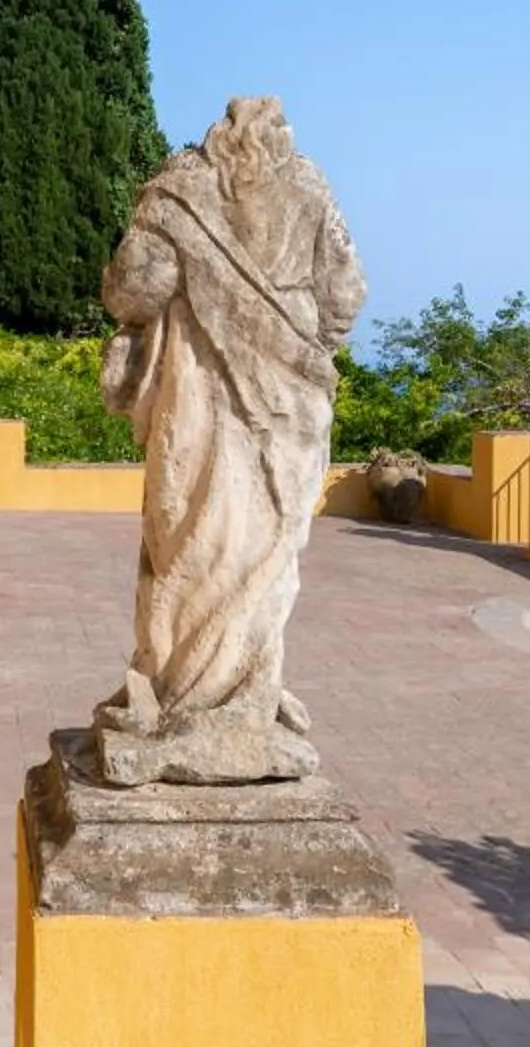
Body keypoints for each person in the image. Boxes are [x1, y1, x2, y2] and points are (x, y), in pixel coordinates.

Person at [92, 96, 363, 785]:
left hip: (199, 401)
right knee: (265, 554)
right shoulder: (309, 187)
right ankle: (241, 690)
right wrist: (298, 341)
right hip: (290, 404)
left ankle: (193, 689)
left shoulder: (180, 188)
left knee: (190, 540)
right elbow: (346, 294)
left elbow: (133, 289)